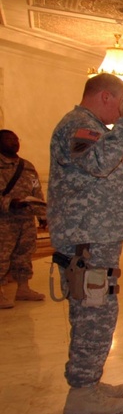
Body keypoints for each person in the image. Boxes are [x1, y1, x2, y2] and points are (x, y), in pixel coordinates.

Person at [49, 73, 123, 414]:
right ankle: (82, 392)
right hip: (87, 242)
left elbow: (90, 174)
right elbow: (96, 164)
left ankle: (90, 383)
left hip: (95, 239)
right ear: (106, 97)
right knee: (94, 311)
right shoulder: (78, 125)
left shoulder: (89, 127)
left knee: (97, 308)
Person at [0, 130, 47, 308]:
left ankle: (23, 288)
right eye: (9, 139)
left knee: (24, 254)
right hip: (5, 221)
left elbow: (36, 190)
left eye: (15, 139)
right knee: (2, 256)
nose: (14, 142)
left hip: (26, 220)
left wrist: (42, 215)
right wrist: (9, 203)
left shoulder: (27, 167)